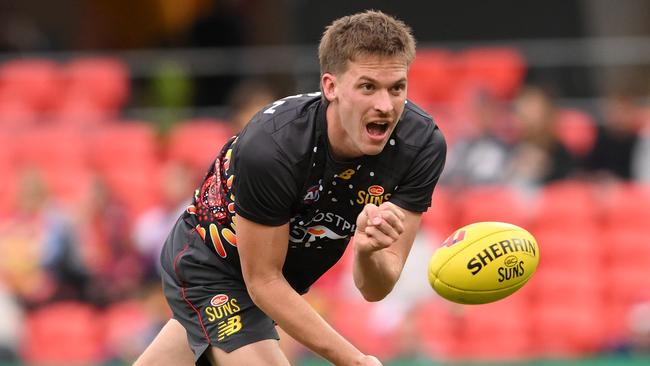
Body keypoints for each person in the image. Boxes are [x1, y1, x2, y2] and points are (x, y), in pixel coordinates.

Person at [135, 10, 446, 366]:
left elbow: (376, 288)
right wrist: (353, 359)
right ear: (331, 87)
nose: (385, 105)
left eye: (397, 88)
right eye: (367, 87)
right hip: (211, 268)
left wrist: (367, 250)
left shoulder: (421, 145)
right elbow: (262, 281)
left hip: (278, 279)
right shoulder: (274, 148)